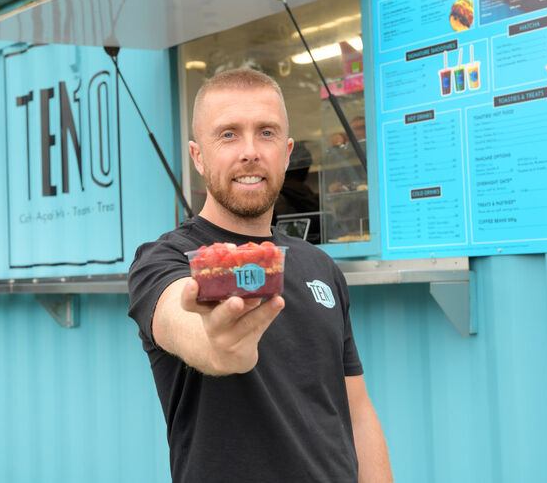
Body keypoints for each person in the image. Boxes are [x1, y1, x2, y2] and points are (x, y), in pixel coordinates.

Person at [128, 68, 393, 482]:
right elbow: (178, 318)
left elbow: (355, 411)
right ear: (198, 156)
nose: (250, 151)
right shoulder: (168, 261)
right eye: (228, 134)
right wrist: (215, 345)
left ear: (287, 152)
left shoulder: (321, 268)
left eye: (266, 133)